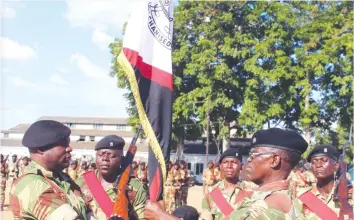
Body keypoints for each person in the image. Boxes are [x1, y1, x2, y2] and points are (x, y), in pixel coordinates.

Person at [9, 120, 93, 219]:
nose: (70, 148)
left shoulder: (63, 179)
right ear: (41, 148)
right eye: (64, 144)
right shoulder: (32, 184)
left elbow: (88, 214)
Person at [228, 128, 308, 219]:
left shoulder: (269, 206)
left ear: (274, 161)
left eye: (254, 154)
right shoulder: (283, 200)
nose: (249, 159)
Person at [75, 135, 148, 220]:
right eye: (100, 155)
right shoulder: (80, 183)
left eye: (112, 156)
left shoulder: (135, 188)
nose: (105, 159)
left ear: (122, 160)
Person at [295, 144, 353, 219]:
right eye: (314, 162)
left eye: (324, 161)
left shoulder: (350, 193)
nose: (318, 165)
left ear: (335, 166)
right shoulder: (301, 197)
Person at [201, 148, 255, 220]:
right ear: (220, 166)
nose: (229, 166)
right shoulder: (212, 192)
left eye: (234, 162)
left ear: (241, 166)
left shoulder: (252, 191)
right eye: (225, 162)